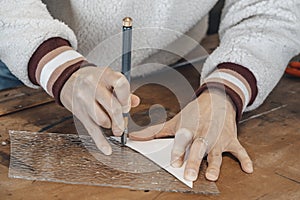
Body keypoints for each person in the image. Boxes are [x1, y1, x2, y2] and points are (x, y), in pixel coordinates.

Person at [1, 0, 300, 182]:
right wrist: (60, 68)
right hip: (30, 58)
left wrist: (226, 89)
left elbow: (273, 9)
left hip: (177, 62)